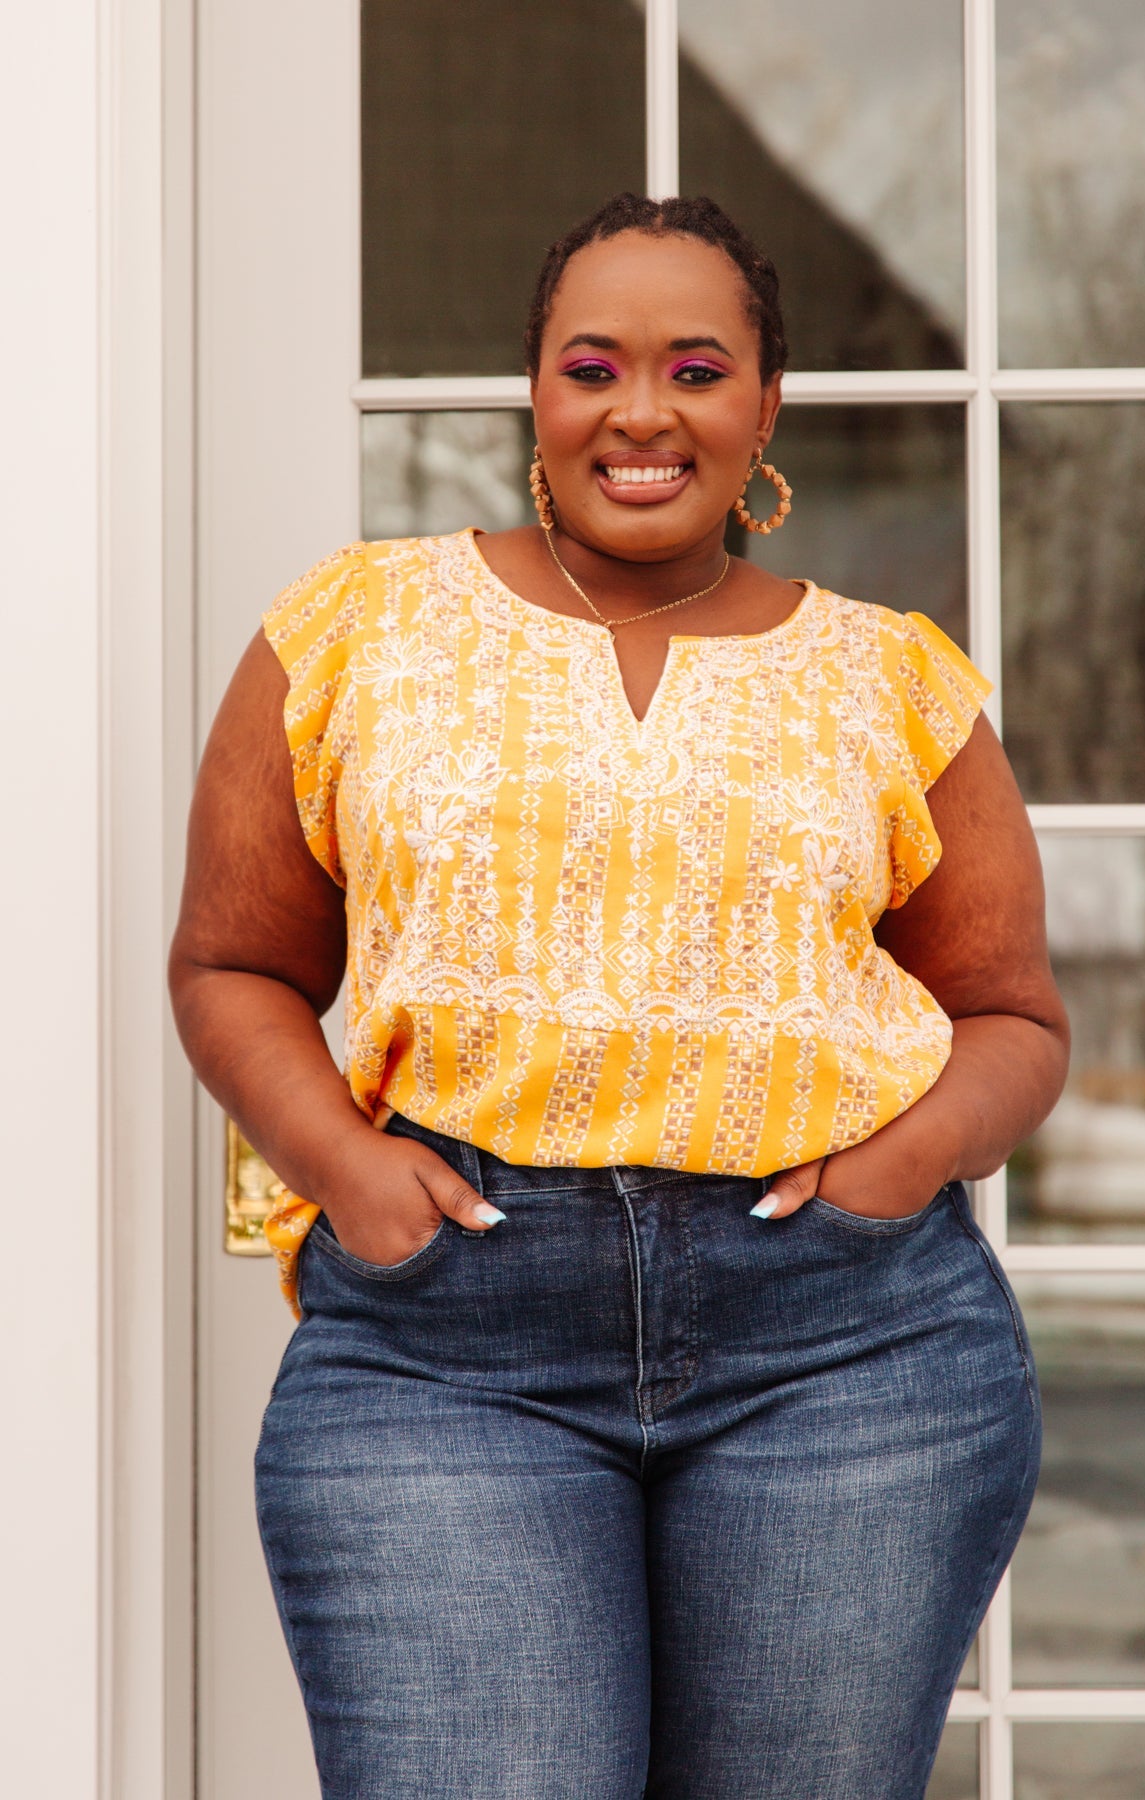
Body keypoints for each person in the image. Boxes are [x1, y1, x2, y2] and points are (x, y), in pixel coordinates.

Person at [169, 192, 1068, 1799]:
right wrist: (345, 1171)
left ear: (764, 408)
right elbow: (236, 964)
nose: (640, 412)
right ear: (536, 393)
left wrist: (899, 1171)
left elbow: (1011, 1018)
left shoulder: (893, 678)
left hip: (845, 1345)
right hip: (450, 1339)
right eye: (593, 366)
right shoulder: (354, 631)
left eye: (696, 368)